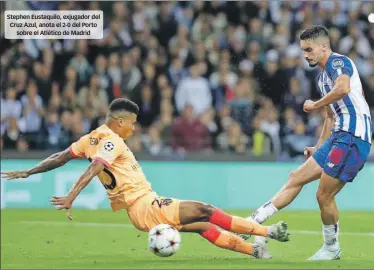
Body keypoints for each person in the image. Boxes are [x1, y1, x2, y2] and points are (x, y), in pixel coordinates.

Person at [1, 98, 290, 259]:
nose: (134, 130)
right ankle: (268, 233)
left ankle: (254, 250)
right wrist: (72, 196)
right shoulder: (112, 141)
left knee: (202, 224)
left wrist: (29, 171)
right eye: (133, 124)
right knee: (205, 210)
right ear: (119, 122)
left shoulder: (90, 138)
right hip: (146, 206)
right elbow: (95, 168)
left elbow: (59, 157)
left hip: (141, 209)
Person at [239, 25, 372, 261]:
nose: (306, 55)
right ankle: (252, 223)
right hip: (338, 136)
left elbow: (343, 88)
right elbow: (331, 118)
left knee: (324, 195)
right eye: (303, 51)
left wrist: (315, 104)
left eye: (309, 49)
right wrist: (319, 147)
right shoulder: (322, 78)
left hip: (353, 136)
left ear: (324, 47)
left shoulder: (337, 63)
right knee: (295, 177)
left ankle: (331, 247)